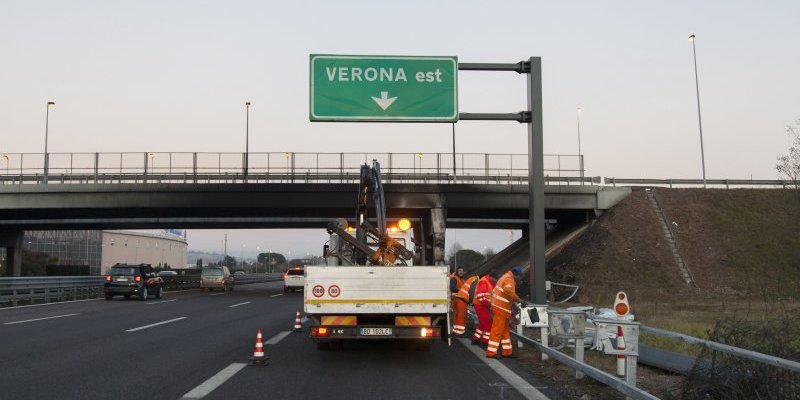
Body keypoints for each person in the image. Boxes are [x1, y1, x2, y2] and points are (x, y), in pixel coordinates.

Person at [486, 266, 523, 359]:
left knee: (504, 331)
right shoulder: (509, 279)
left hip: (502, 309)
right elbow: (507, 290)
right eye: (519, 276)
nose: (519, 279)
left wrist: (513, 303)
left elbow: (501, 292)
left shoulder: (505, 277)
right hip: (500, 309)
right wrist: (518, 299)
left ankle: (507, 351)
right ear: (516, 275)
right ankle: (491, 352)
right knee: (497, 331)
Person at [471, 271, 497, 346]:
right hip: (481, 305)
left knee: (482, 324)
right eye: (495, 279)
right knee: (488, 325)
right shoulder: (484, 282)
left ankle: (475, 339)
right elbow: (480, 296)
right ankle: (485, 341)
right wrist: (488, 305)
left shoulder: (488, 281)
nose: (495, 281)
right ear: (492, 277)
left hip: (482, 305)